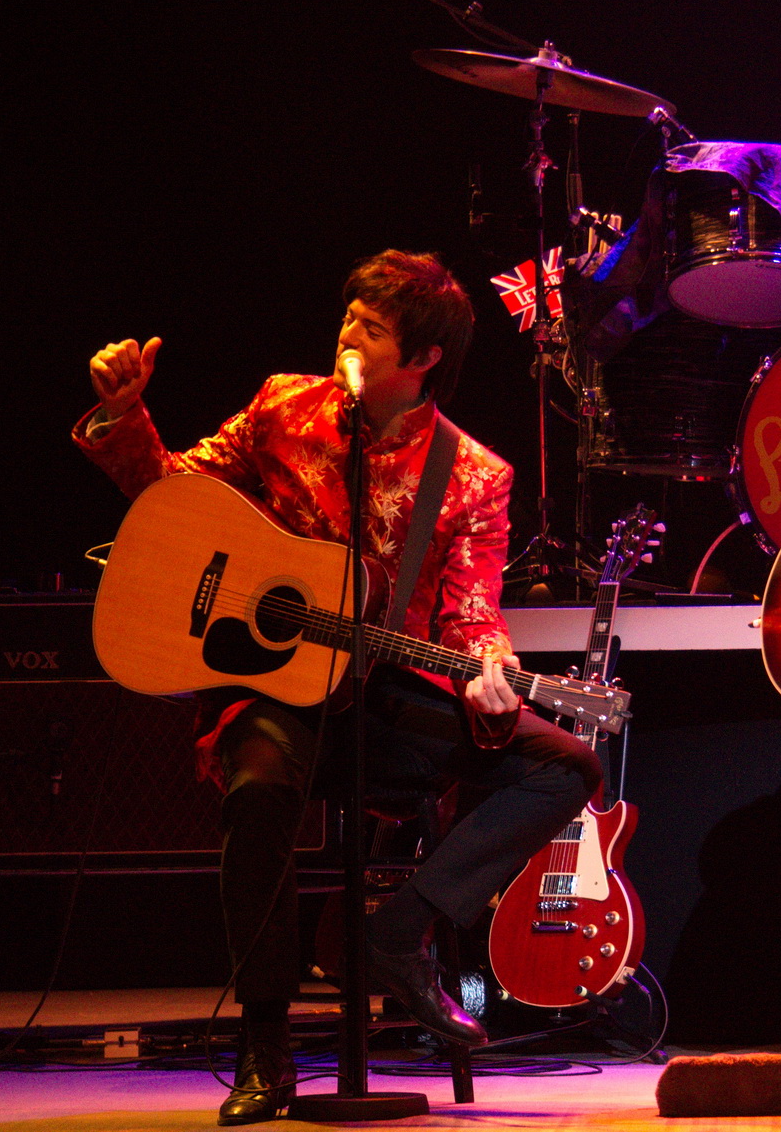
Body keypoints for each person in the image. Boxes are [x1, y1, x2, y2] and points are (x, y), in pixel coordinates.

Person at [76, 250, 600, 1125]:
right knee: (258, 790)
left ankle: (396, 931)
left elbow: (471, 610)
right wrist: (125, 416)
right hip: (273, 690)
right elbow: (169, 498)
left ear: (423, 358)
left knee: (567, 764)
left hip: (386, 702)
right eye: (350, 315)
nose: (347, 333)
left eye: (372, 326)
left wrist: (492, 672)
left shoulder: (475, 473)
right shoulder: (285, 405)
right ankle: (265, 1043)